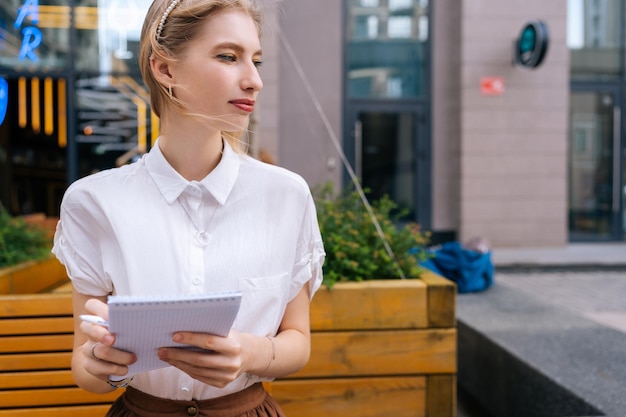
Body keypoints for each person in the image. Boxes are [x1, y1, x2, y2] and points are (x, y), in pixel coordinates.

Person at [52, 0, 325, 415]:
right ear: (165, 70)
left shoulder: (286, 195)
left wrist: (249, 353)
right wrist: (99, 364)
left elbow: (298, 342)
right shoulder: (93, 202)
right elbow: (85, 367)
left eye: (256, 61)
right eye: (228, 57)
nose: (254, 80)